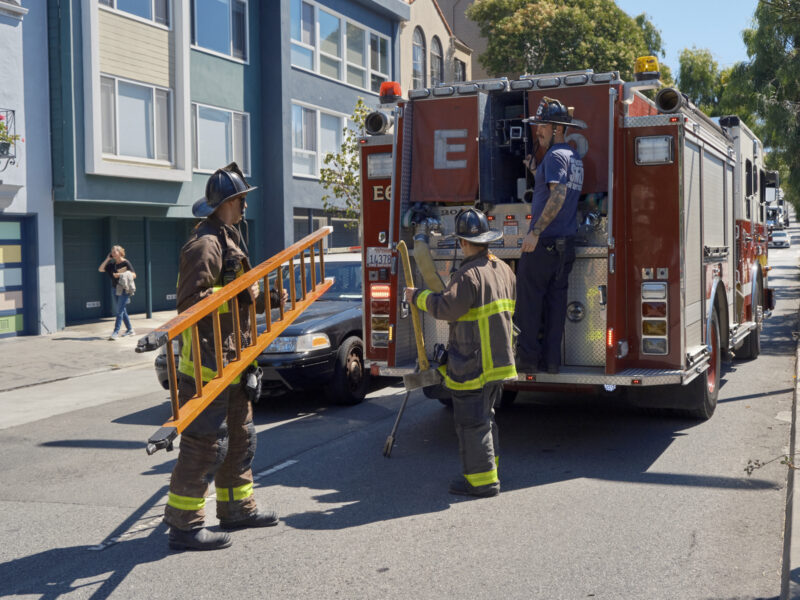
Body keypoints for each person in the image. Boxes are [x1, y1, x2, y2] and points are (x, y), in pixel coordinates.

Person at [164, 162, 287, 551]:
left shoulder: (228, 237)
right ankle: (184, 526)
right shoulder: (206, 243)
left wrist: (263, 299)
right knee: (204, 445)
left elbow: (236, 297)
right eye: (240, 199)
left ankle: (237, 509)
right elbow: (191, 304)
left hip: (235, 359)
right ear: (225, 203)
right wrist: (238, 298)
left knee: (240, 439)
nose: (245, 206)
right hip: (206, 364)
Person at [404, 208, 516, 498]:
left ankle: (482, 482)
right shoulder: (503, 269)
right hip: (498, 362)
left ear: (463, 242)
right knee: (486, 419)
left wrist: (417, 297)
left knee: (471, 423)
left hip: (473, 361)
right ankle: (490, 469)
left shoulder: (468, 275)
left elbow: (447, 308)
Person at [515, 97, 586, 374]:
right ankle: (552, 362)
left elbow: (558, 195)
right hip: (565, 246)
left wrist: (535, 232)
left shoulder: (555, 156)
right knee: (555, 306)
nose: (538, 132)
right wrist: (536, 171)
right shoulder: (573, 157)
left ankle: (528, 361)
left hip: (544, 244)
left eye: (542, 126)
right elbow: (559, 190)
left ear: (557, 127)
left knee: (529, 304)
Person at [98, 246, 136, 340]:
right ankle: (130, 330)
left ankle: (115, 332)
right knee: (122, 310)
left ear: (120, 252)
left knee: (119, 311)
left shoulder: (126, 262)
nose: (113, 253)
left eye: (115, 252)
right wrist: (107, 259)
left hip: (124, 289)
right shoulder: (112, 265)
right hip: (115, 289)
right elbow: (101, 269)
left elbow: (134, 275)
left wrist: (121, 274)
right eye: (112, 252)